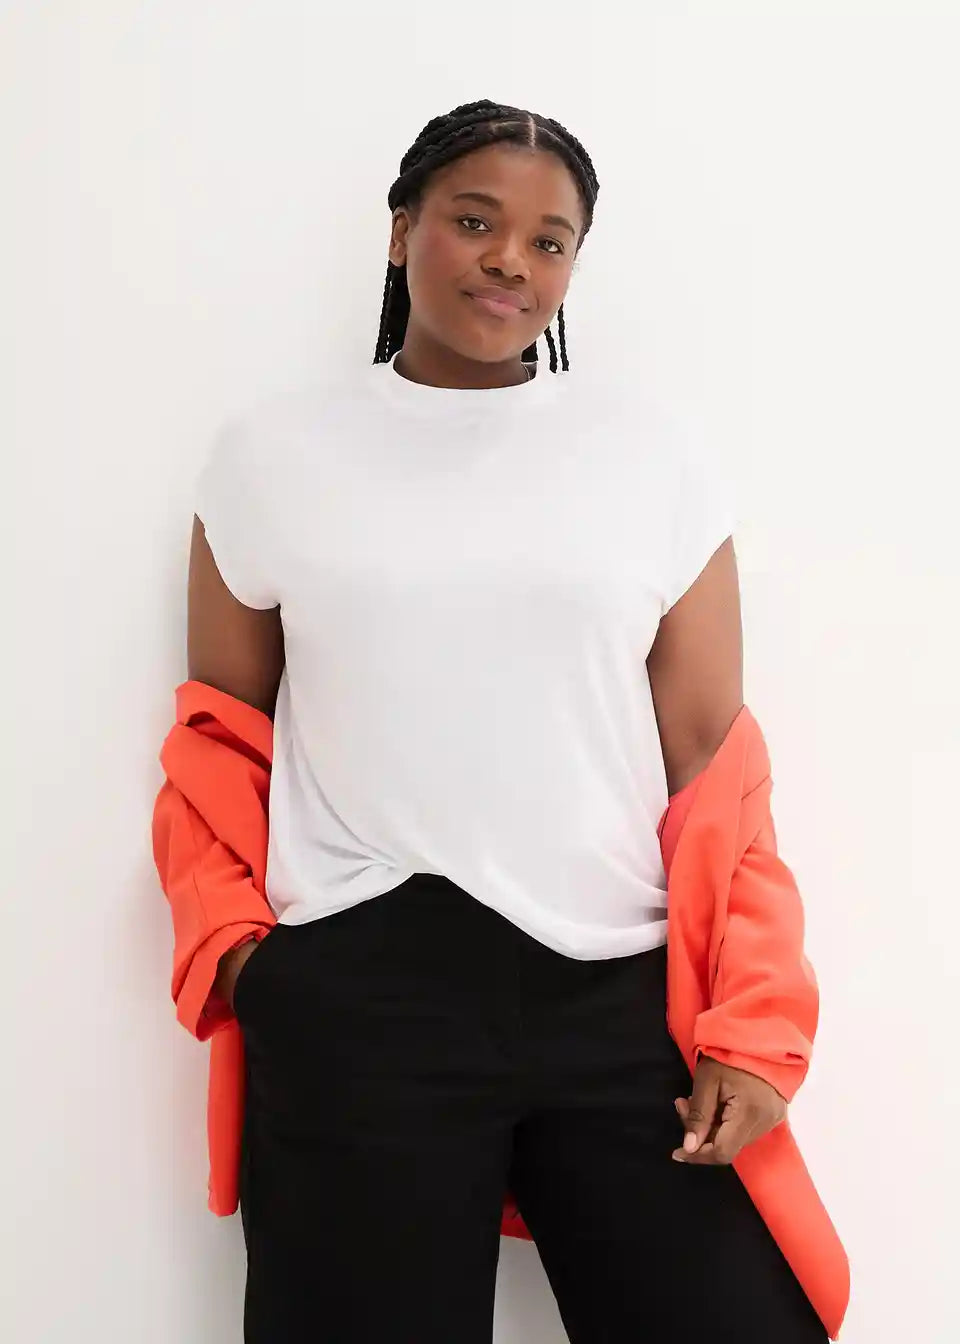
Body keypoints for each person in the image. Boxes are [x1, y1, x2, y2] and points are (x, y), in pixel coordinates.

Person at [186, 99, 828, 1341]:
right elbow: (217, 741)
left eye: (549, 241)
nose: (510, 262)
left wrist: (752, 1022)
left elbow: (714, 762)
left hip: (616, 988)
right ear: (400, 231)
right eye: (475, 222)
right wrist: (248, 963)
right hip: (362, 989)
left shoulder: (648, 455)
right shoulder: (273, 454)